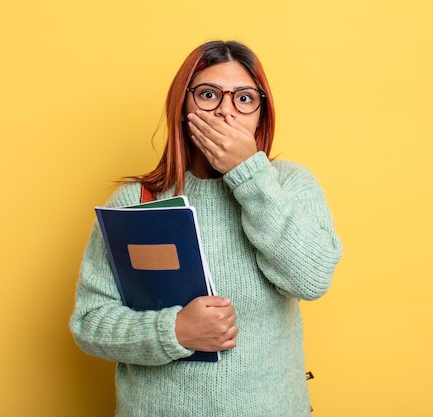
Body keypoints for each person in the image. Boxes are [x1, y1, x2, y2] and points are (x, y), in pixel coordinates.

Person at [70, 40, 343, 417]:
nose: (226, 112)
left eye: (244, 99)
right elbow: (90, 322)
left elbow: (311, 279)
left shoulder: (289, 184)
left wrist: (248, 174)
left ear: (260, 114)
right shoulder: (137, 200)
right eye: (209, 95)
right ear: (182, 107)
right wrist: (174, 331)